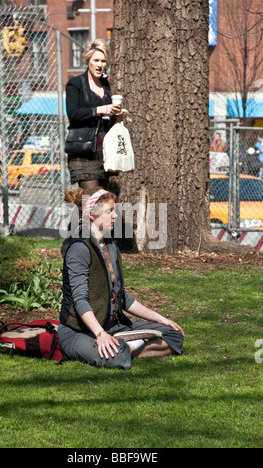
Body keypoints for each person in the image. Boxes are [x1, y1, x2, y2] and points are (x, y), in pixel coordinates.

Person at [58, 187, 184, 369]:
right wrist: (100, 334)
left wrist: (160, 319)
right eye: (109, 211)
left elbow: (122, 298)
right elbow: (80, 301)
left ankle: (125, 345)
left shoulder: (110, 246)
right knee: (115, 357)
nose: (115, 216)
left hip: (114, 328)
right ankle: (125, 346)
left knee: (173, 334)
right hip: (79, 332)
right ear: (92, 216)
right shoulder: (79, 248)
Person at [66, 39, 122, 189]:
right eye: (96, 60)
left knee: (101, 203)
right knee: (92, 200)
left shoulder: (105, 85)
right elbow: (73, 113)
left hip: (104, 150)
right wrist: (100, 109)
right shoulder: (76, 83)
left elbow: (108, 117)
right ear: (88, 60)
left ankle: (81, 213)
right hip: (84, 149)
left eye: (103, 61)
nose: (99, 65)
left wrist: (117, 115)